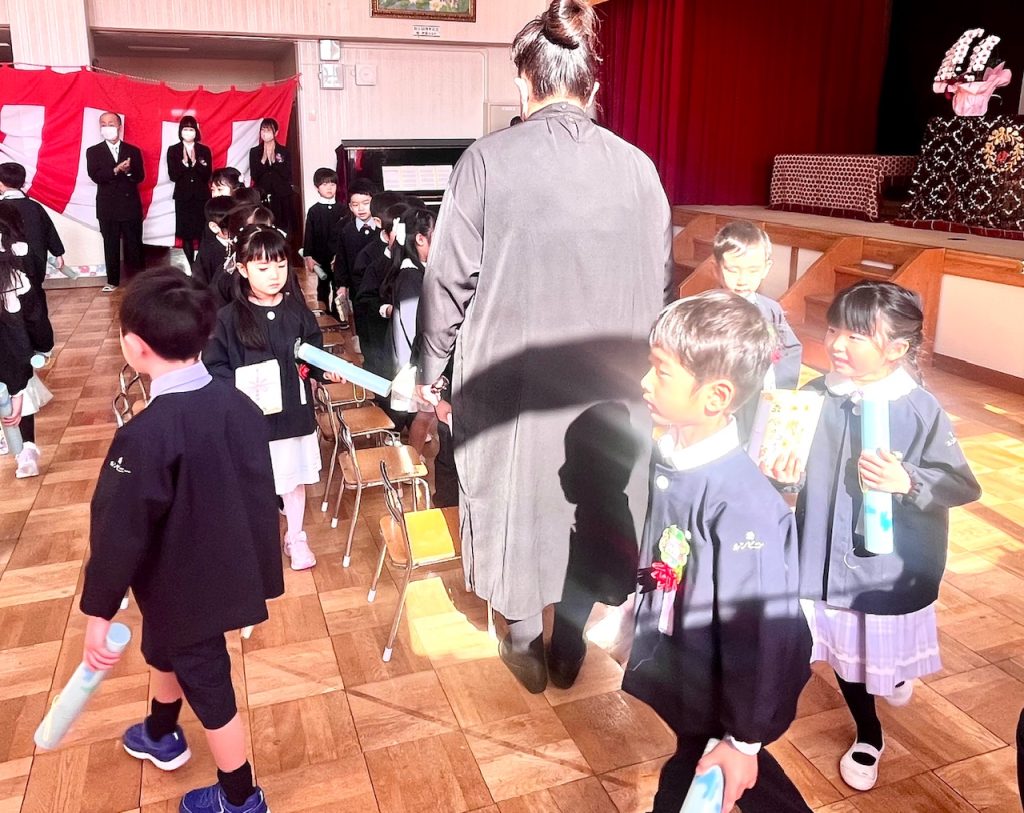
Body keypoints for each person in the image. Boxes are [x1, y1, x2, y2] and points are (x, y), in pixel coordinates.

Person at [415, 0, 672, 693]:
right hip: (613, 389)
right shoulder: (640, 169)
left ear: (524, 83)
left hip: (512, 385)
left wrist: (429, 373)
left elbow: (447, 283)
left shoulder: (486, 161)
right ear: (593, 85)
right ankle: (568, 642)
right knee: (595, 505)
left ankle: (525, 640)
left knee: (517, 504)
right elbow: (661, 288)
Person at [766, 280, 982, 792]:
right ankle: (869, 732)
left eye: (855, 336)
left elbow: (960, 483)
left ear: (896, 348)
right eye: (833, 330)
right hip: (825, 556)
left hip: (888, 565)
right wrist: (784, 474)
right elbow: (786, 472)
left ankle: (895, 672)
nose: (836, 344)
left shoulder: (918, 408)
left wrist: (908, 480)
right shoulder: (814, 397)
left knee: (880, 645)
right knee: (849, 653)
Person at [79, 268, 281, 813]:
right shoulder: (240, 406)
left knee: (210, 685)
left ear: (133, 347)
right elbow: (258, 493)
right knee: (162, 645)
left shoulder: (144, 436)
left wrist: (99, 611)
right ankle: (160, 730)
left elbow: (117, 531)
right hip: (224, 569)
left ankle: (240, 797)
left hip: (187, 586)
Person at [622, 291, 811, 813]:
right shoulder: (671, 457)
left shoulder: (744, 507)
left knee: (703, 773)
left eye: (661, 371)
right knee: (704, 759)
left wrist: (744, 739)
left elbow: (759, 631)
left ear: (715, 396)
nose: (645, 381)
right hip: (690, 668)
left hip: (723, 684)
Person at [204, 226, 342, 571]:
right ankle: (255, 541)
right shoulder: (228, 318)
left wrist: (325, 372)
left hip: (293, 414)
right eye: (263, 268)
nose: (274, 275)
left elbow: (311, 352)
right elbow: (215, 365)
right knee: (253, 482)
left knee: (293, 480)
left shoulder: (298, 311)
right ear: (243, 268)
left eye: (280, 266)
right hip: (250, 419)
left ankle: (295, 536)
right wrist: (239, 386)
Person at [712, 221, 802, 438]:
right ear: (716, 268)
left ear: (766, 268)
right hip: (721, 396)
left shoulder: (771, 309)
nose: (742, 280)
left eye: (753, 271)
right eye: (732, 270)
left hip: (761, 393)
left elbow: (790, 349)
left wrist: (778, 386)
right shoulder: (707, 310)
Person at [379, 207, 436, 454]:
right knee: (422, 414)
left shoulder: (416, 270)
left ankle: (415, 458)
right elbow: (410, 328)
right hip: (412, 360)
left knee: (424, 414)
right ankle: (413, 461)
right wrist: (421, 367)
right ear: (420, 239)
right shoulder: (411, 276)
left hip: (414, 358)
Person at [0, 163, 64, 355]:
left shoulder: (2, 208)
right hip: (35, 264)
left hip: (9, 266)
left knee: (12, 308)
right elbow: (49, 230)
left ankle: (23, 347)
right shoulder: (35, 207)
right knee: (36, 305)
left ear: (1, 183)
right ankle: (44, 346)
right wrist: (58, 253)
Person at [0, 216, 45, 478]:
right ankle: (26, 450)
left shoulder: (15, 277)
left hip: (12, 350)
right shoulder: (16, 277)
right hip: (14, 350)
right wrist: (42, 346)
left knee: (17, 394)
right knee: (20, 394)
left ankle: (24, 450)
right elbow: (34, 316)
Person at [85, 111, 145, 293]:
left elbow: (140, 177)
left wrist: (128, 171)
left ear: (119, 126)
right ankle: (112, 281)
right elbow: (96, 176)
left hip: (130, 205)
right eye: (103, 124)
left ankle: (139, 281)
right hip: (108, 206)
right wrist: (116, 170)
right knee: (110, 244)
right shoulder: (93, 151)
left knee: (134, 244)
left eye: (111, 124)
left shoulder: (133, 151)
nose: (107, 127)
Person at [166, 115, 212, 265]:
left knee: (202, 232)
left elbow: (207, 175)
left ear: (196, 131)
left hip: (201, 197)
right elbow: (173, 175)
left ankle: (201, 265)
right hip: (183, 197)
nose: (188, 132)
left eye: (191, 129)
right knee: (186, 234)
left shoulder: (204, 150)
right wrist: (184, 164)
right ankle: (191, 266)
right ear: (180, 131)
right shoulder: (173, 150)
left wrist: (195, 163)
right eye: (185, 129)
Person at [302, 167, 344, 310]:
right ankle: (323, 311)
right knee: (323, 286)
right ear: (317, 187)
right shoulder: (314, 211)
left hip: (338, 257)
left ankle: (338, 314)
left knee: (338, 285)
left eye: (332, 184)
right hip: (320, 257)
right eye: (325, 184)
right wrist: (309, 256)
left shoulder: (342, 209)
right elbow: (309, 235)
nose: (329, 188)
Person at [331, 178, 378, 304]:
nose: (361, 209)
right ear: (350, 207)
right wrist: (342, 284)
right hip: (356, 288)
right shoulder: (346, 231)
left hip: (379, 289)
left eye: (366, 203)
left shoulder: (381, 229)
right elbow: (341, 261)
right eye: (356, 205)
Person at [248, 118, 294, 235]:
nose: (264, 133)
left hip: (281, 194)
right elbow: (255, 176)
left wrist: (274, 161)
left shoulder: (284, 151)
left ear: (276, 133)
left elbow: (287, 174)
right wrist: (263, 160)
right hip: (262, 194)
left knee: (282, 226)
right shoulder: (254, 152)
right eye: (262, 130)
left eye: (268, 131)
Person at [195, 196, 235, 289]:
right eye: (231, 226)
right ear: (214, 227)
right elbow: (200, 285)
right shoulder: (207, 254)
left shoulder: (245, 244)